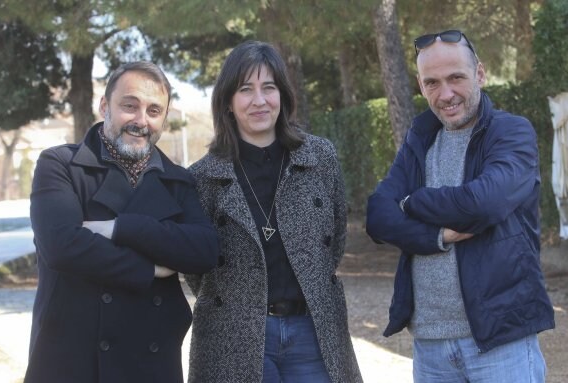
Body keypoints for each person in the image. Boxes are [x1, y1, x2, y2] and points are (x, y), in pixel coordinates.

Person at [366, 30, 555, 382]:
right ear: (421, 86)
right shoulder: (419, 138)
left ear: (480, 74)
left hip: (502, 341)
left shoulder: (512, 133)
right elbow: (378, 215)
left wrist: (410, 202)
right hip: (431, 346)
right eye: (432, 82)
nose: (446, 93)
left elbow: (482, 204)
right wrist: (437, 235)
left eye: (456, 78)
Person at [24, 61, 219, 383]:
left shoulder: (178, 180)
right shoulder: (61, 164)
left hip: (151, 364)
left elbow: (204, 251)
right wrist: (152, 268)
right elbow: (61, 246)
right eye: (130, 106)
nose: (141, 120)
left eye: (154, 111)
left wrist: (119, 228)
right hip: (72, 361)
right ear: (105, 106)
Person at [185, 40, 362, 382]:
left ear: (283, 95)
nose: (259, 100)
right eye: (245, 89)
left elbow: (334, 241)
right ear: (228, 103)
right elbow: (199, 271)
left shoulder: (320, 158)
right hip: (234, 335)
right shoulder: (202, 177)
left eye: (269, 87)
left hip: (312, 330)